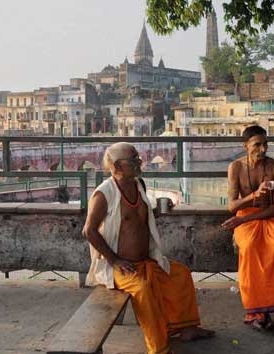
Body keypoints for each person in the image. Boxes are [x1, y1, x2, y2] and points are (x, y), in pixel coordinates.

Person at [83, 142, 213, 354]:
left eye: (138, 157)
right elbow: (89, 231)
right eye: (133, 159)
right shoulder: (104, 194)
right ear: (117, 166)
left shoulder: (139, 185)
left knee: (180, 274)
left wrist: (160, 208)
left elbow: (139, 218)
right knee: (143, 290)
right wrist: (114, 260)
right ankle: (159, 347)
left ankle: (187, 328)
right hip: (120, 267)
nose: (139, 162)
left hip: (146, 261)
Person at [222, 125, 274, 330]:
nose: (262, 149)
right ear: (245, 145)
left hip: (268, 217)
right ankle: (255, 310)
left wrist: (245, 218)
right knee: (250, 247)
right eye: (257, 145)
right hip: (245, 218)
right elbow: (232, 206)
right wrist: (253, 196)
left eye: (265, 144)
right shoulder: (236, 167)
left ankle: (272, 303)